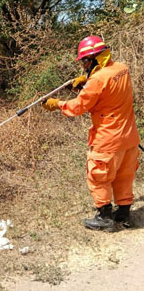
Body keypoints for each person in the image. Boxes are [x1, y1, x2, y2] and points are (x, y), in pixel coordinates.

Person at [43, 35, 140, 230]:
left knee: (98, 176)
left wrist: (57, 104)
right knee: (124, 175)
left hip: (108, 139)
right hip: (129, 137)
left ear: (97, 57)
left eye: (86, 61)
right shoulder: (122, 69)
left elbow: (78, 107)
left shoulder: (97, 80)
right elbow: (106, 92)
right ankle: (123, 214)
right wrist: (86, 81)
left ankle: (104, 217)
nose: (84, 65)